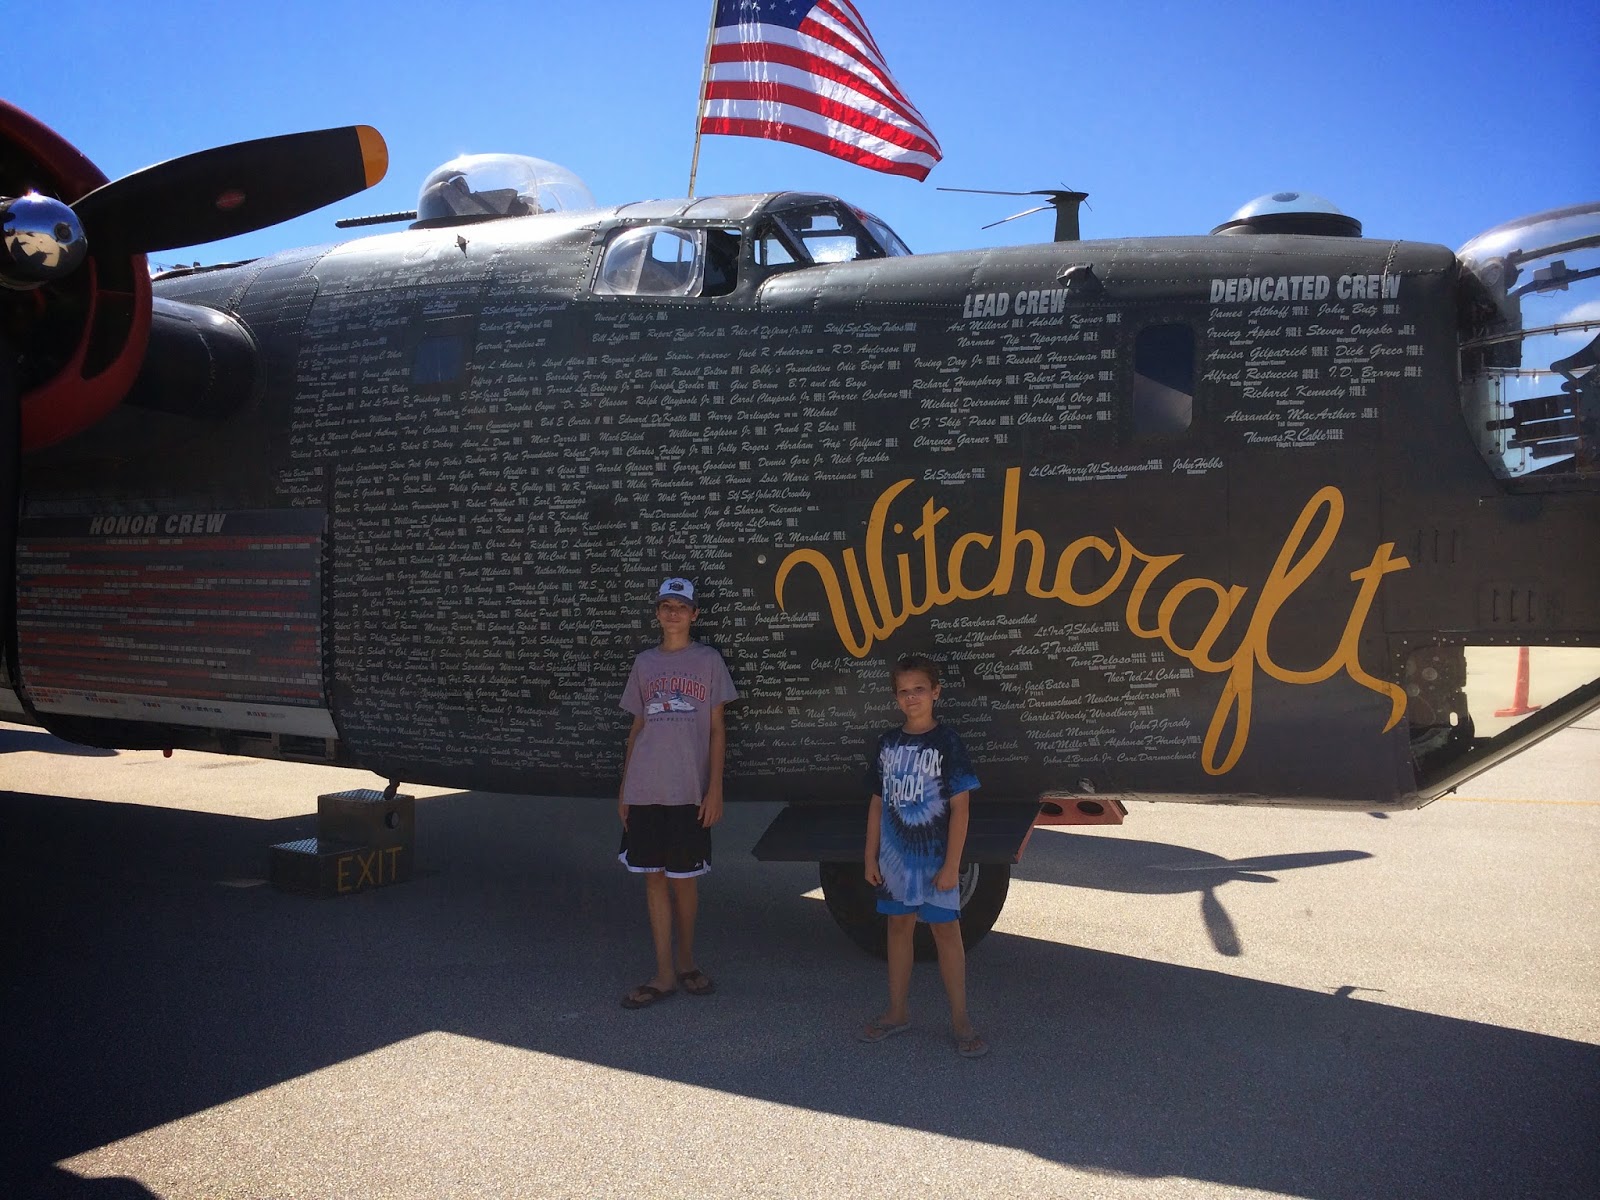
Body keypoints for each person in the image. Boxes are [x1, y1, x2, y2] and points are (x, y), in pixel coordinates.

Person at [616, 577, 737, 1009]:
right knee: (654, 878)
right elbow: (637, 728)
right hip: (645, 786)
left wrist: (715, 788)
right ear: (657, 613)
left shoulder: (708, 660)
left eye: (681, 606)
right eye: (666, 605)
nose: (673, 613)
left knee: (684, 880)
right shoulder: (644, 663)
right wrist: (624, 788)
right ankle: (664, 972)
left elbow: (718, 729)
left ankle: (686, 961)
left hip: (689, 790)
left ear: (694, 614)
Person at [859, 653, 988, 1057]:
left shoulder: (947, 742)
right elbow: (877, 803)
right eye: (903, 691)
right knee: (898, 928)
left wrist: (952, 865)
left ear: (935, 692)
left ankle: (961, 1019)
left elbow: (961, 807)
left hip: (936, 863)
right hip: (895, 860)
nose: (911, 697)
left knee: (946, 932)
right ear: (895, 697)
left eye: (919, 689)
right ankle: (897, 1011)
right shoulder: (887, 743)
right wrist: (870, 856)